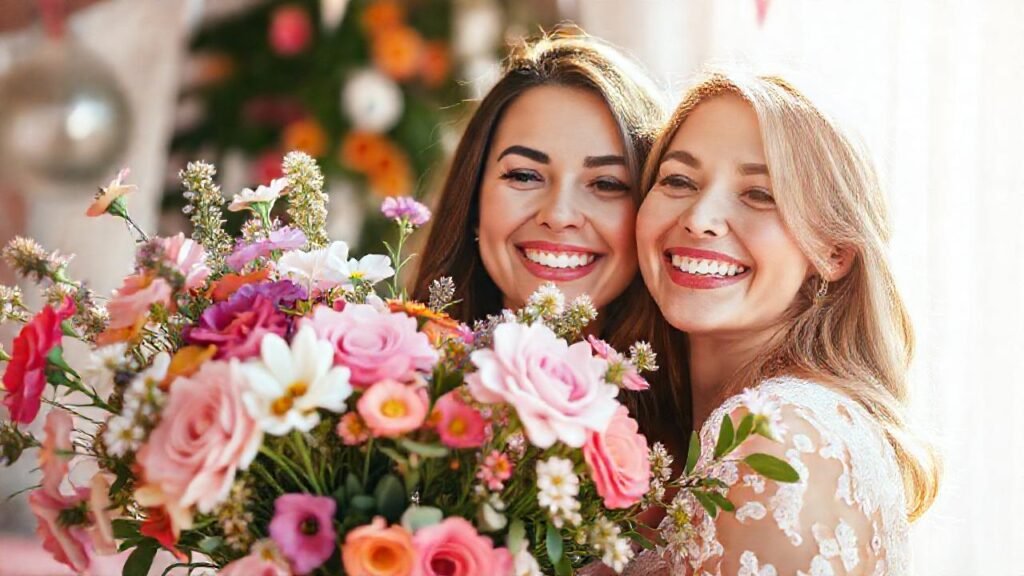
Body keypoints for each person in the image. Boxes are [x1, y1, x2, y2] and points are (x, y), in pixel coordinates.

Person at [633, 70, 940, 574]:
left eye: (760, 194)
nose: (700, 217)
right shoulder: (700, 427)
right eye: (678, 180)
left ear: (833, 252)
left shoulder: (775, 434)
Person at [412, 30, 690, 444]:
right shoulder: (388, 401)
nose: (558, 216)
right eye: (524, 175)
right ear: (472, 203)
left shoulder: (694, 447)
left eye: (607, 183)